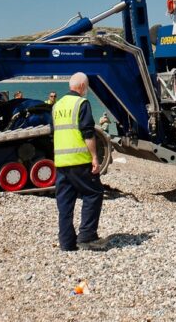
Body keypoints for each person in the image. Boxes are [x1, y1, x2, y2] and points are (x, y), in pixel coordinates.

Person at [53, 73, 106, 252]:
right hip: (79, 160)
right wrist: (95, 158)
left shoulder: (57, 105)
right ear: (82, 86)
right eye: (88, 87)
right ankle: (87, 237)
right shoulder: (82, 104)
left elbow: (54, 132)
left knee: (65, 203)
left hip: (61, 162)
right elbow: (88, 133)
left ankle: (66, 243)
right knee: (94, 193)